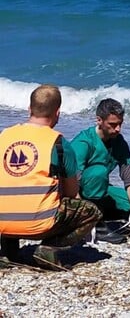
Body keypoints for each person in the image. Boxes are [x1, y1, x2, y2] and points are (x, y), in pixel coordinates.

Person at [0, 84, 102, 270]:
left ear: (29, 109)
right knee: (91, 211)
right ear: (57, 113)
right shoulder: (59, 144)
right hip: (38, 223)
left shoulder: (4, 136)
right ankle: (48, 248)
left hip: (2, 221)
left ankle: (8, 251)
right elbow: (71, 193)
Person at [71, 98, 130, 244]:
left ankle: (100, 215)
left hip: (99, 191)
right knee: (99, 172)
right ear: (99, 120)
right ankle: (97, 224)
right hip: (75, 193)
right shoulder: (83, 143)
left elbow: (129, 178)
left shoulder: (119, 142)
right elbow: (71, 181)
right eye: (113, 125)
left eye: (120, 124)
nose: (118, 129)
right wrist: (83, 217)